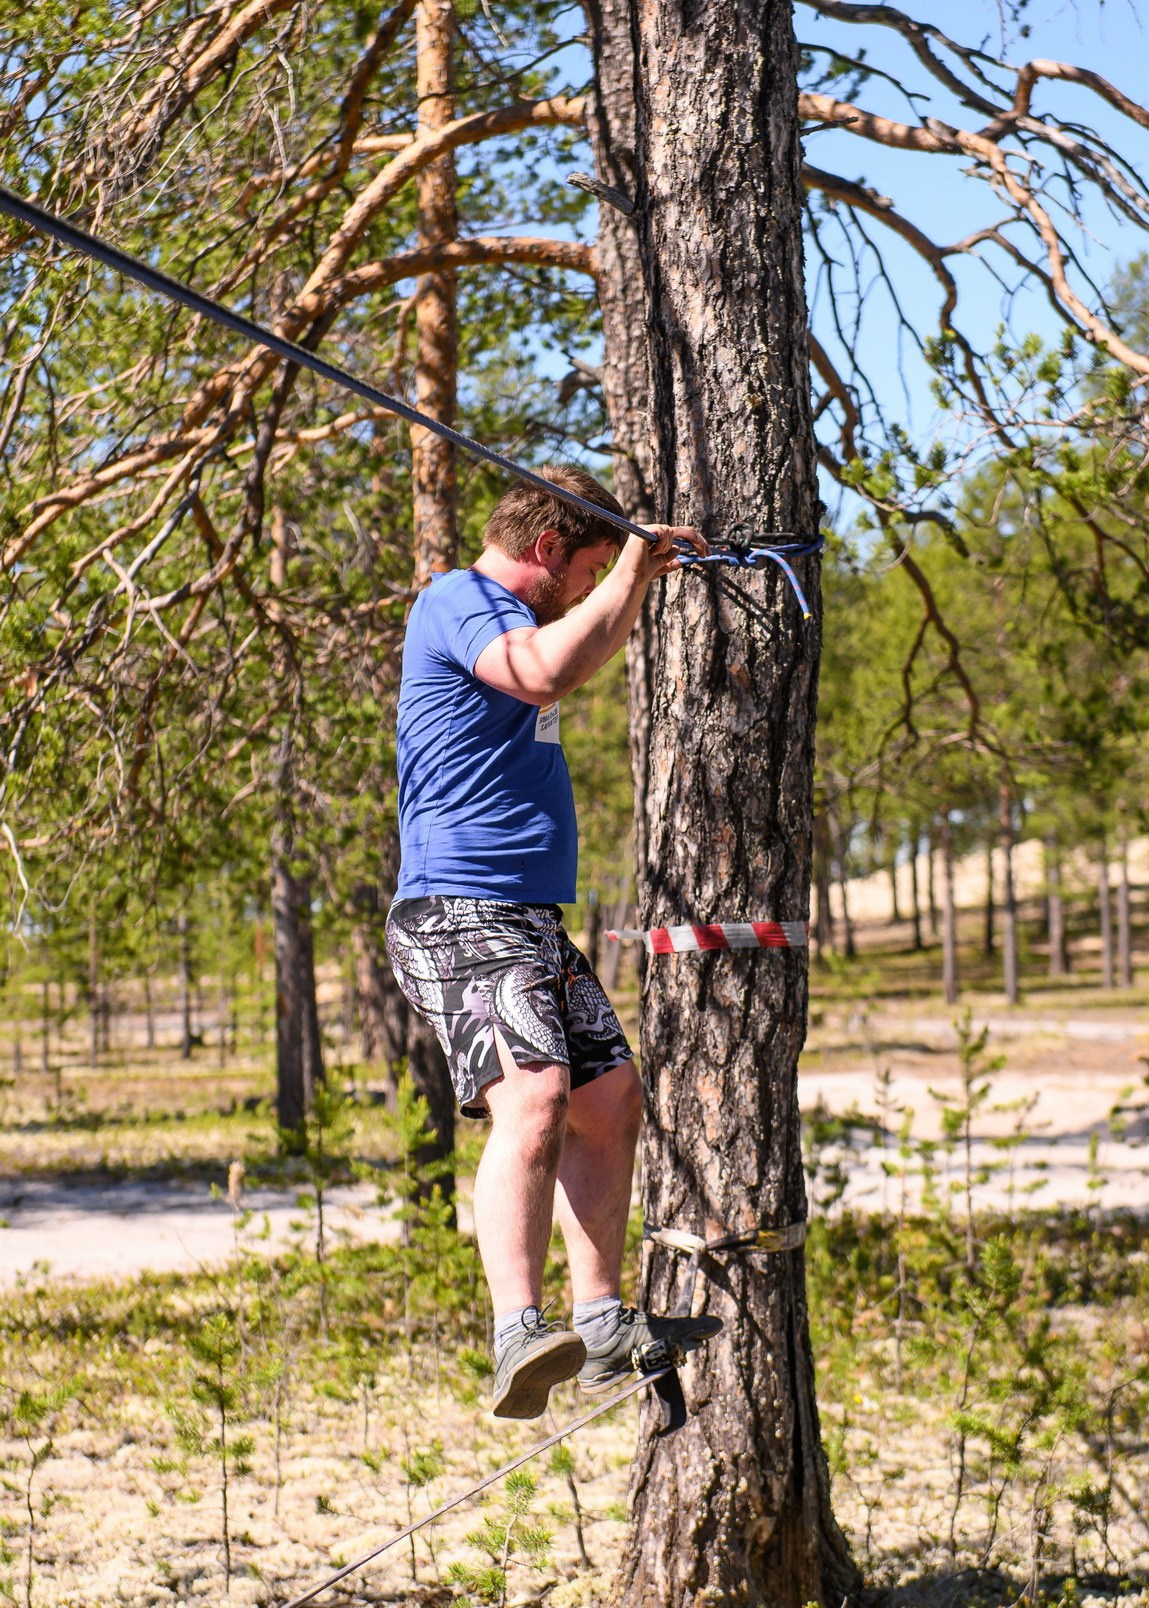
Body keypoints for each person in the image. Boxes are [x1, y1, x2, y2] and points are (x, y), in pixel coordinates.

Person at [385, 464, 721, 1419]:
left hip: (526, 917)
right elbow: (544, 671)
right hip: (460, 908)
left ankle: (602, 1319)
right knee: (533, 1097)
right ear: (547, 551)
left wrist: (630, 575)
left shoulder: (524, 616)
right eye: (584, 570)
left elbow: (571, 650)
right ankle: (516, 1332)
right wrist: (632, 570)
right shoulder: (460, 599)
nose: (590, 588)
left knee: (610, 1101)